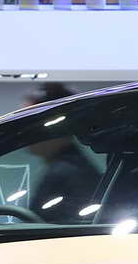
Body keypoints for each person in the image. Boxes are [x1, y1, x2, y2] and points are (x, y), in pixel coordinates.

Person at [20, 82, 103, 217]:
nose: (24, 133)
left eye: (30, 124)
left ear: (54, 127)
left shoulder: (67, 174)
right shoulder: (70, 167)